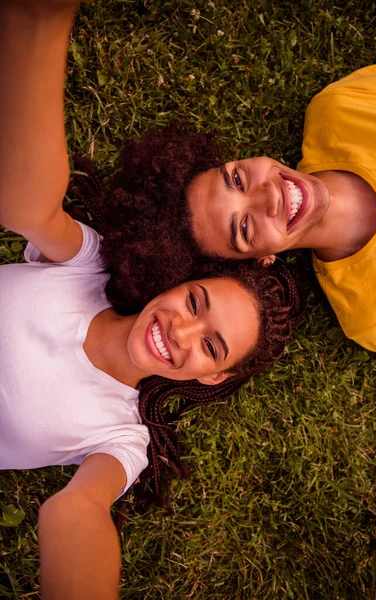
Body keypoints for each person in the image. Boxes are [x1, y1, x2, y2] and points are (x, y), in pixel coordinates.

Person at [0, 2, 306, 599]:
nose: (181, 331)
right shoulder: (89, 266)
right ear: (173, 282)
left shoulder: (123, 439)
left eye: (211, 345)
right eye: (194, 302)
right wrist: (37, 29)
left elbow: (76, 512)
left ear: (217, 377)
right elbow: (28, 210)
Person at [186, 63, 376, 359]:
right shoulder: (374, 316)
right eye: (244, 229)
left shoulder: (346, 107)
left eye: (237, 179)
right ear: (261, 261)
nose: (268, 197)